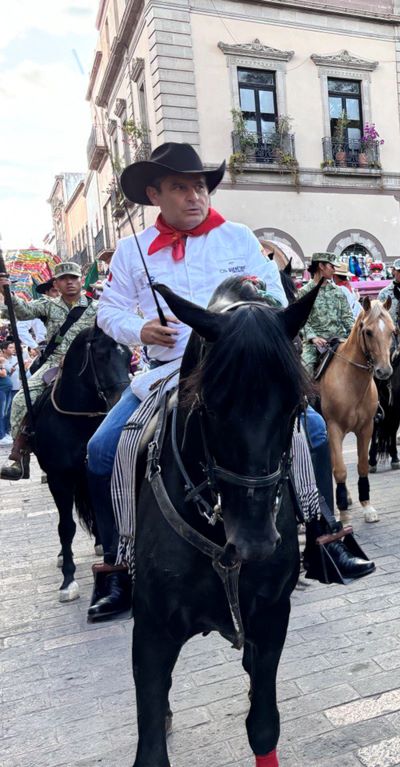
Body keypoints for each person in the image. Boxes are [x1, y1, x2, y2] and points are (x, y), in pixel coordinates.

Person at [86, 142, 371, 622]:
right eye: (181, 187)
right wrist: (141, 330)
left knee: (315, 432)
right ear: (155, 193)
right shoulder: (133, 252)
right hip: (167, 370)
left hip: (239, 371)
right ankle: (118, 561)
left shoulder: (238, 237)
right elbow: (107, 308)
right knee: (102, 449)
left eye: (200, 186)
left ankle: (324, 536)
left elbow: (274, 298)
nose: (195, 196)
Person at [0, 262, 97, 479]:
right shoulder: (48, 305)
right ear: (56, 283)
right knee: (19, 402)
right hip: (53, 364)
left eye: (73, 278)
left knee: (119, 393)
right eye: (64, 279)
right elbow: (23, 311)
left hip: (89, 365)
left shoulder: (97, 307)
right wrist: (7, 292)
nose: (69, 282)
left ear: (81, 280)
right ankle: (19, 456)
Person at [297, 252, 354, 374]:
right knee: (305, 369)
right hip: (315, 343)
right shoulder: (304, 292)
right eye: (332, 266)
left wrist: (355, 333)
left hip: (339, 340)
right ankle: (307, 393)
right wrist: (313, 338)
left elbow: (347, 317)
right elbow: (302, 320)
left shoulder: (338, 291)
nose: (334, 270)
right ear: (321, 266)